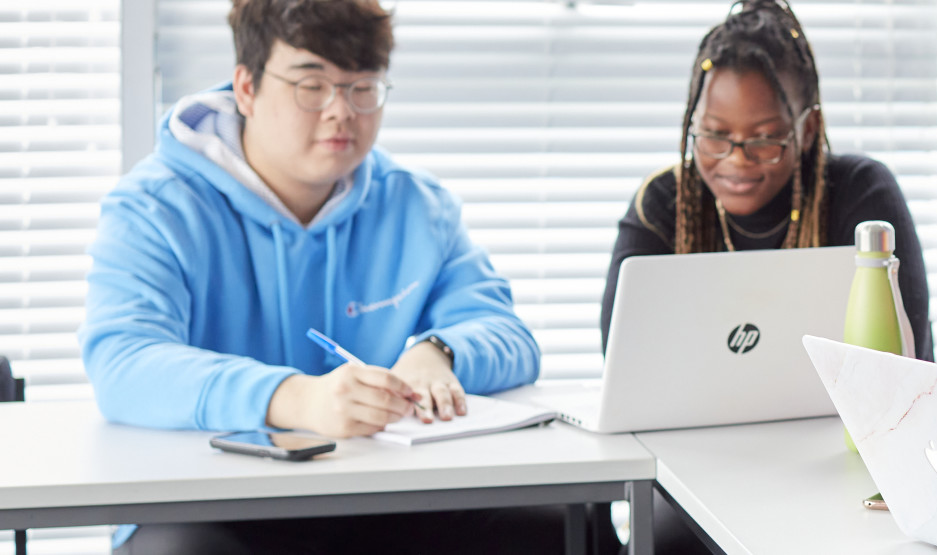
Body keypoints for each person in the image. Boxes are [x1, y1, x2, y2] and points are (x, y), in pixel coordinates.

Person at [83, 0, 615, 552]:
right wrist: (295, 399)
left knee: (554, 528)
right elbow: (124, 360)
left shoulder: (416, 204)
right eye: (311, 86)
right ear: (246, 87)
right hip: (211, 504)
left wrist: (437, 353)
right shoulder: (155, 206)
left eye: (363, 88)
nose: (341, 112)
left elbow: (507, 334)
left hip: (384, 497)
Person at [600, 0, 932, 360]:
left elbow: (906, 367)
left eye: (764, 139)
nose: (737, 158)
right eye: (714, 136)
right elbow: (622, 359)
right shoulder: (662, 203)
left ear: (808, 130)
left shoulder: (861, 192)